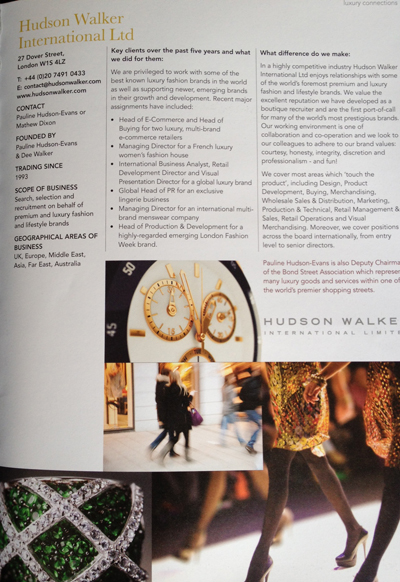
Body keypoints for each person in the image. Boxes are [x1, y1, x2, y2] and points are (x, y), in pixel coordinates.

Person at [243, 362, 366, 582]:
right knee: (316, 462)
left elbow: (339, 349)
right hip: (283, 395)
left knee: (280, 467)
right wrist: (273, 388)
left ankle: (260, 558)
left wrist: (322, 378)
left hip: (305, 392)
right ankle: (354, 529)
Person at [306, 362, 400, 582]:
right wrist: (322, 377)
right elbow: (356, 342)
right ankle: (364, 556)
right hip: (387, 388)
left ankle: (368, 568)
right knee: (394, 481)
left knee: (394, 481)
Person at [161, 369, 193, 462]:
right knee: (186, 436)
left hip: (173, 417)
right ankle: (187, 457)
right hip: (183, 416)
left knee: (176, 437)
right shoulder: (181, 388)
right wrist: (191, 395)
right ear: (178, 377)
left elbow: (165, 404)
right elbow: (187, 403)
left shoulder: (167, 388)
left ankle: (163, 453)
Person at [149, 368, 179, 457]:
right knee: (167, 432)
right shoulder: (166, 384)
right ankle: (152, 446)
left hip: (163, 412)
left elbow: (157, 399)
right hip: (167, 413)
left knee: (170, 432)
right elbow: (168, 400)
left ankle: (171, 452)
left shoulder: (159, 383)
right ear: (168, 375)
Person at [238, 365, 263, 454]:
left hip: (246, 408)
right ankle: (250, 444)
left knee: (251, 427)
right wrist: (258, 405)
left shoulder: (246, 382)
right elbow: (258, 396)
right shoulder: (258, 383)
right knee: (259, 426)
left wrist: (246, 401)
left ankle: (248, 443)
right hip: (252, 408)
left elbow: (240, 396)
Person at [220, 373, 244, 447]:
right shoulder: (232, 388)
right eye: (233, 377)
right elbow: (233, 400)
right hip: (230, 410)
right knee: (235, 426)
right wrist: (236, 407)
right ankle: (241, 440)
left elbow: (223, 399)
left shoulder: (224, 388)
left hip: (225, 409)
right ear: (229, 379)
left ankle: (222, 441)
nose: (234, 378)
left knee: (224, 426)